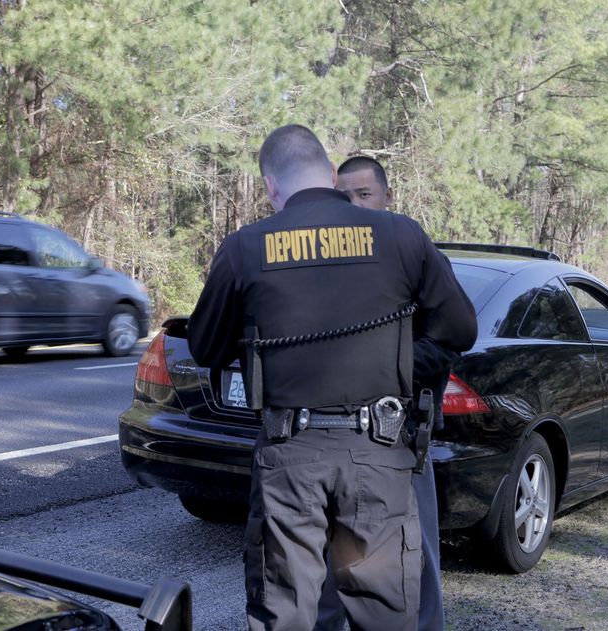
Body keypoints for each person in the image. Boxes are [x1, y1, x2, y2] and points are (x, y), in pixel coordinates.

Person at [187, 125, 477, 630]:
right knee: (385, 613)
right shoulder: (400, 234)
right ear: (329, 171)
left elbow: (206, 347)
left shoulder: (244, 247)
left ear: (271, 187)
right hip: (379, 449)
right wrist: (389, 365)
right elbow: (460, 330)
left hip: (289, 457)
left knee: (287, 613)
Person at [314, 155, 461, 631]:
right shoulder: (324, 262)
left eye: (363, 194)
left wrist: (385, 372)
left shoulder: (410, 252)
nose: (354, 205)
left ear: (386, 197)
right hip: (329, 441)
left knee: (414, 565)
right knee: (327, 574)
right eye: (344, 197)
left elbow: (451, 336)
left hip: (398, 438)